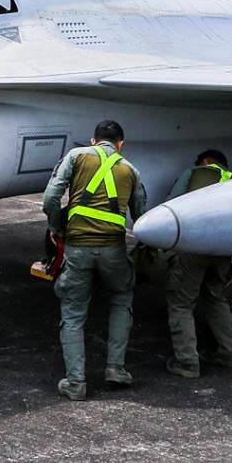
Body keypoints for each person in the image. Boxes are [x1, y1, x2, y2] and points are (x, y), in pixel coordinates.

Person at [40, 120, 150, 400]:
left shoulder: (76, 156)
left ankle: (76, 383)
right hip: (113, 249)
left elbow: (51, 197)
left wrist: (56, 225)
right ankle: (115, 369)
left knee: (74, 313)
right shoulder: (131, 170)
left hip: (77, 248)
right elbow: (142, 216)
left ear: (93, 141)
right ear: (120, 144)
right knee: (121, 299)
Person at [163, 149, 232, 378]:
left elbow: (171, 206)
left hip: (193, 246)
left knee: (181, 303)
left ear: (206, 162)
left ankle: (187, 363)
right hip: (222, 250)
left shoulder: (194, 173)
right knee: (215, 297)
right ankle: (230, 354)